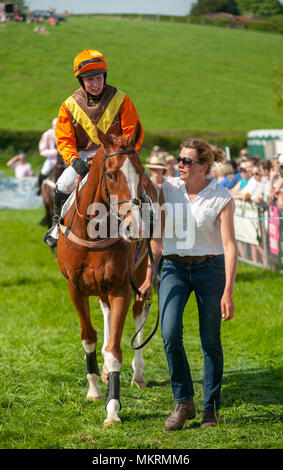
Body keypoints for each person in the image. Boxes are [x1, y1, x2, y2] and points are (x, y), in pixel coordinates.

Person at [138, 139, 237, 430]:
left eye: (186, 161)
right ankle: (183, 403)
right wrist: (147, 276)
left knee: (210, 340)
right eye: (179, 159)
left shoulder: (222, 197)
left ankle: (211, 408)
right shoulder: (168, 189)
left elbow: (230, 247)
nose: (180, 164)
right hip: (173, 268)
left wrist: (228, 291)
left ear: (204, 166)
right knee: (169, 333)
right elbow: (157, 238)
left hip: (210, 269)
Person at [44, 49, 144, 247]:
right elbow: (64, 139)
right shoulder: (69, 105)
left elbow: (133, 134)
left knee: (143, 189)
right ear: (81, 80)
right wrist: (74, 161)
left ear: (104, 76)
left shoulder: (122, 100)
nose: (95, 84)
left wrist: (126, 157)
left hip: (116, 155)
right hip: (82, 157)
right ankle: (56, 225)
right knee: (62, 186)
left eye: (98, 78)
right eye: (89, 80)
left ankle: (148, 228)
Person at [36, 118, 59, 194]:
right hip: (52, 158)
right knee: (45, 171)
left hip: (65, 158)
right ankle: (38, 186)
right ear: (53, 126)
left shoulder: (67, 133)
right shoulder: (47, 134)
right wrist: (54, 152)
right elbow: (42, 150)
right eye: (56, 125)